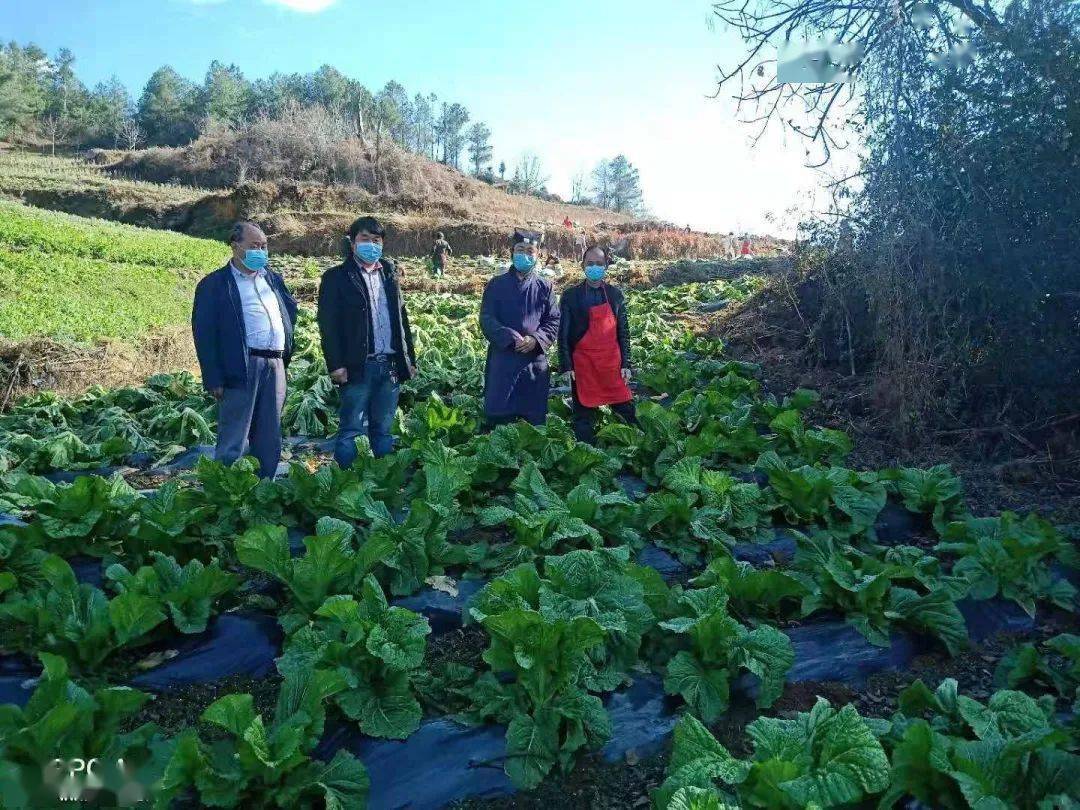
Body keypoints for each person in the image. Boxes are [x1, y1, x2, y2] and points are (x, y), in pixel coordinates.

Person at [191, 221, 297, 479]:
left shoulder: (272, 278)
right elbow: (204, 333)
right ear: (235, 246)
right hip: (241, 365)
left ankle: (264, 488)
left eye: (264, 246)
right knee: (235, 433)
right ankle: (227, 490)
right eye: (254, 246)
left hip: (275, 363)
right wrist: (213, 377)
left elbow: (289, 311)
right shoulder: (215, 284)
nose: (260, 251)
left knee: (270, 434)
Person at [317, 215, 417, 468]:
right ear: (352, 243)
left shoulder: (389, 275)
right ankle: (346, 483)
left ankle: (383, 481)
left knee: (383, 429)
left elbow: (401, 319)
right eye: (364, 238)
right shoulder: (337, 277)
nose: (371, 244)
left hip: (390, 364)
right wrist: (336, 365)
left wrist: (409, 359)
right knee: (351, 429)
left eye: (376, 240)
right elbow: (328, 325)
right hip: (358, 365)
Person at [480, 228, 560, 427]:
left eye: (530, 251)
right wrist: (508, 336)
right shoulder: (495, 285)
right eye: (520, 249)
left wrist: (536, 339)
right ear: (512, 252)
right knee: (499, 419)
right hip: (503, 359)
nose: (525, 254)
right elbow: (487, 318)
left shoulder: (545, 286)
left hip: (533, 362)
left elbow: (553, 320)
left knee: (532, 422)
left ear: (538, 255)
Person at [558, 245, 638, 444]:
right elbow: (564, 334)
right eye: (590, 264)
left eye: (599, 264)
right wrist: (566, 366)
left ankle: (635, 448)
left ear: (606, 266)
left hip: (612, 363)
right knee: (583, 416)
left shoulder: (615, 295)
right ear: (582, 266)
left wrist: (626, 363)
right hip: (584, 365)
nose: (595, 268)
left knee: (625, 410)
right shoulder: (571, 296)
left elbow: (623, 333)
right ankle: (589, 453)